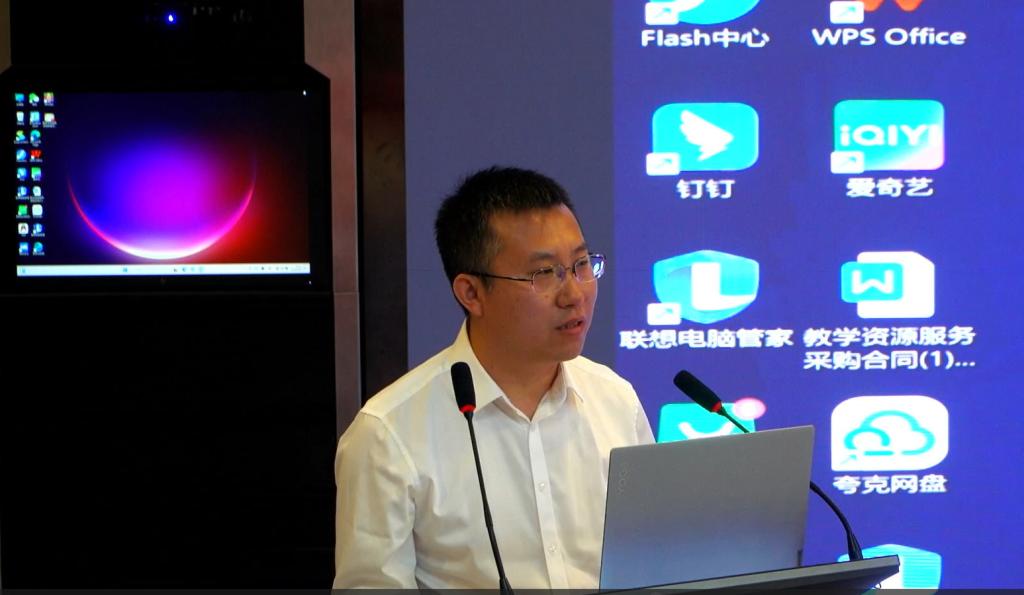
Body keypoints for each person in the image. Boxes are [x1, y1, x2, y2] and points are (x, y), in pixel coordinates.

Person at [333, 166, 654, 589]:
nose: (575, 293)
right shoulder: (388, 435)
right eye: (544, 274)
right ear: (471, 293)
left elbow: (654, 563)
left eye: (581, 264)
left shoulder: (615, 400)